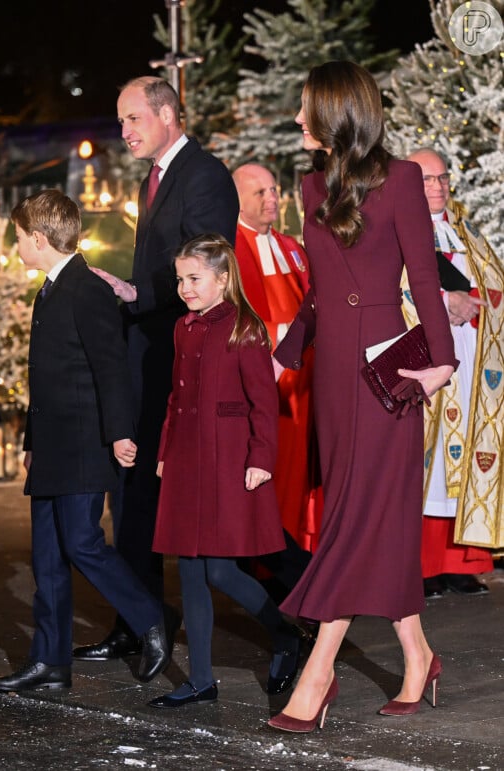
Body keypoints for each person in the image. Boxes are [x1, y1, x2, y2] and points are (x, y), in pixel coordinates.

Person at [267, 61, 457, 733]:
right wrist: (287, 348)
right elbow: (320, 286)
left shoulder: (401, 178)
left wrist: (441, 362)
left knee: (351, 518)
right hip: (332, 378)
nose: (296, 120)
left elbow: (426, 281)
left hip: (388, 378)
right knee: (360, 511)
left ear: (336, 112)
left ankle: (318, 672)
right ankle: (419, 655)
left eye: (305, 108)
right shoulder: (311, 183)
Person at [72, 76, 240, 663]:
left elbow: (207, 267)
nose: (124, 132)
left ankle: (290, 613)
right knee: (132, 488)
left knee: (159, 491)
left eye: (133, 119)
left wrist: (137, 293)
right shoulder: (156, 179)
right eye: (121, 121)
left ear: (168, 114)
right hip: (148, 354)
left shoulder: (205, 175)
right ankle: (138, 619)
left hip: (183, 362)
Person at [0, 190, 173, 693]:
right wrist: (30, 439)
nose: (17, 244)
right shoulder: (47, 291)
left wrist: (120, 434)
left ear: (40, 239)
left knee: (83, 544)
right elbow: (43, 377)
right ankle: (50, 662)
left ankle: (151, 619)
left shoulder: (86, 289)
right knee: (46, 555)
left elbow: (110, 368)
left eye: (20, 237)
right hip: (51, 446)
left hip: (86, 444)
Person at [147, 234, 301, 709]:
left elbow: (262, 401)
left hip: (229, 458)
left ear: (223, 278)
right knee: (190, 569)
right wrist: (166, 448)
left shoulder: (244, 328)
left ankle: (285, 633)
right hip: (187, 460)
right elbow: (176, 396)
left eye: (194, 278)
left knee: (219, 569)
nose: (184, 288)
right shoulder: (183, 328)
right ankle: (201, 680)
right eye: (180, 279)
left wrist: (260, 458)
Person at [403, 148, 504, 598]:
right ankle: (419, 567)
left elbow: (493, 285)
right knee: (428, 461)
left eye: (442, 178)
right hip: (426, 359)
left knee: (463, 462)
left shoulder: (465, 233)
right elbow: (394, 287)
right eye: (427, 179)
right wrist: (447, 302)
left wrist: (480, 303)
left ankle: (460, 564)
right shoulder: (397, 232)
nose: (438, 187)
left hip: (472, 362)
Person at [231, 163, 320, 601]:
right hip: (267, 384)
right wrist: (280, 334)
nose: (272, 199)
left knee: (300, 475)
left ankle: (300, 557)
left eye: (274, 190)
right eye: (260, 192)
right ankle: (268, 567)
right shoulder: (230, 250)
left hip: (304, 384)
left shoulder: (292, 248)